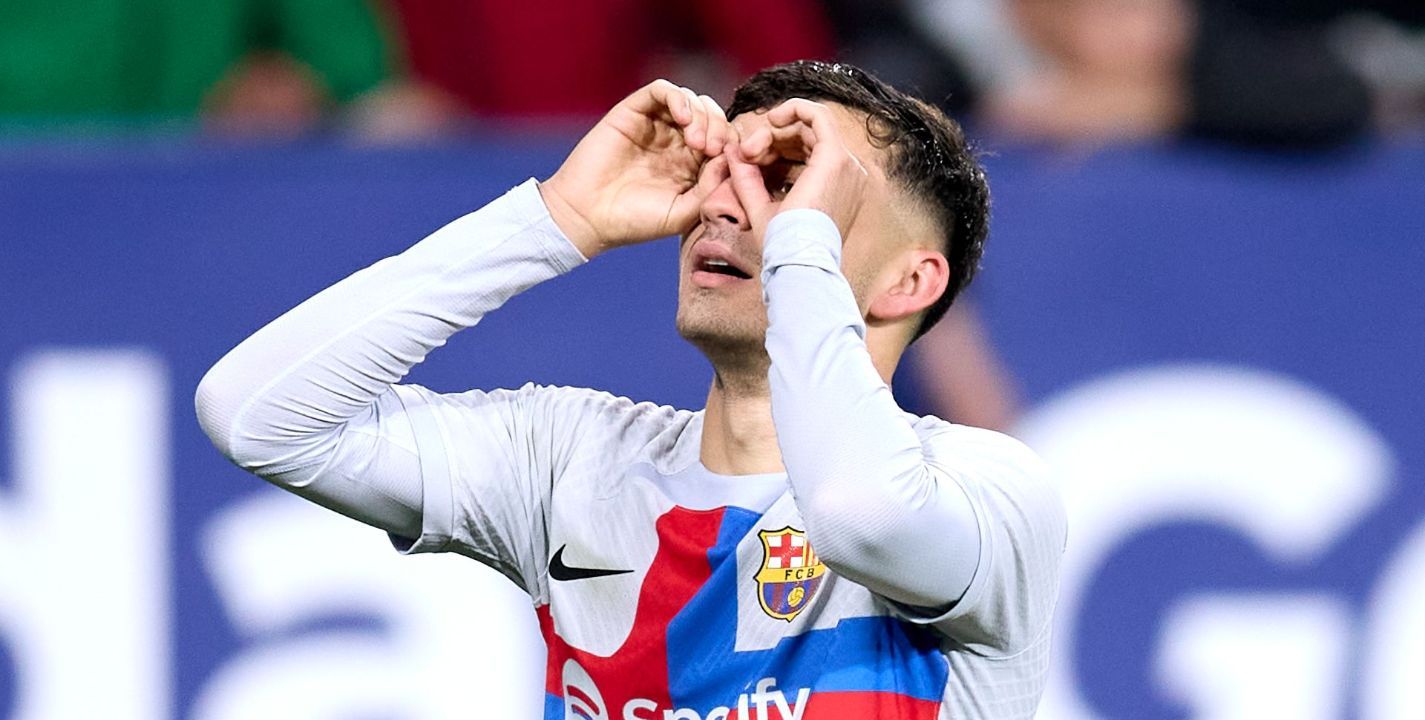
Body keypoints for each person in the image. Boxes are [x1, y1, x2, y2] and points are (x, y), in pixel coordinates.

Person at [196, 60, 1066, 719]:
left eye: (789, 183)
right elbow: (257, 414)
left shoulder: (986, 493)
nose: (725, 207)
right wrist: (556, 218)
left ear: (909, 283)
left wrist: (799, 246)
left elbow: (857, 516)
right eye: (724, 173)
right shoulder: (572, 461)